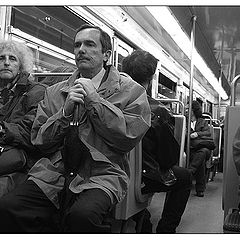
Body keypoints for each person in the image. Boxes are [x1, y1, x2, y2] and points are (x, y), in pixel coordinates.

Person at [0, 24, 151, 233]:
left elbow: (127, 138)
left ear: (106, 55)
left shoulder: (131, 91)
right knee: (8, 208)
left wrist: (95, 101)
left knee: (82, 217)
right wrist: (65, 112)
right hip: (55, 171)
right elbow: (40, 141)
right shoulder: (55, 92)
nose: (81, 50)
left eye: (89, 44)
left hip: (102, 173)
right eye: (77, 45)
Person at [121, 49, 192, 233]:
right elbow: (168, 158)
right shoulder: (157, 110)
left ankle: (143, 220)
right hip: (142, 176)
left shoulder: (111, 99)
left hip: (111, 170)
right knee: (184, 177)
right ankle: (166, 230)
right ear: (152, 77)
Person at [0, 40, 46, 197]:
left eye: (12, 59)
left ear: (21, 66)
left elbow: (31, 133)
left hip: (21, 161)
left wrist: (2, 129)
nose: (6, 63)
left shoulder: (36, 92)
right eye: (1, 58)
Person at [186, 100, 212, 197]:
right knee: (200, 159)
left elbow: (208, 133)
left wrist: (197, 134)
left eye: (188, 108)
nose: (186, 110)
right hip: (191, 149)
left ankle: (190, 172)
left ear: (193, 110)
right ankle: (200, 189)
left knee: (202, 152)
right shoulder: (185, 120)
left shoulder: (202, 122)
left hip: (203, 147)